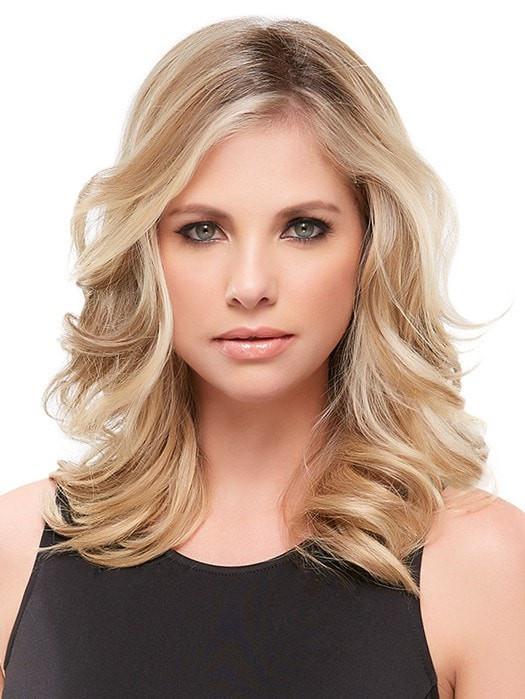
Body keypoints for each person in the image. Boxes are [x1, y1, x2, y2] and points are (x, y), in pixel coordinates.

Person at [1, 15, 524, 698]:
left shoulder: (480, 562)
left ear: (372, 245)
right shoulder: (19, 549)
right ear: (146, 251)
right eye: (202, 230)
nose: (250, 286)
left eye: (303, 228)